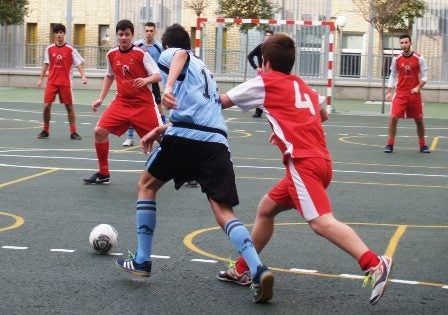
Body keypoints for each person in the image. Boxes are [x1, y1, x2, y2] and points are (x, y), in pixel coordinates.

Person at [217, 33, 392, 305]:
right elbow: (323, 113)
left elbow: (222, 101)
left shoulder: (264, 81)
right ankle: (242, 268)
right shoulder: (302, 85)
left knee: (321, 222)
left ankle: (373, 262)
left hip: (303, 164)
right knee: (266, 209)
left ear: (265, 61)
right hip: (321, 162)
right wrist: (286, 124)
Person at [115, 23, 274, 304]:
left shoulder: (175, 53)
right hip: (216, 142)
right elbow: (198, 111)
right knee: (224, 211)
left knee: (146, 185)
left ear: (167, 46)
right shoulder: (206, 72)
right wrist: (159, 129)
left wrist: (169, 86)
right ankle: (257, 267)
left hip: (186, 138)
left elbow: (179, 57)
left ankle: (142, 259)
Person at [83, 19, 162, 185]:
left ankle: (187, 172)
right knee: (99, 131)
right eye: (121, 34)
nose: (124, 38)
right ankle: (103, 173)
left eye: (127, 34)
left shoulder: (141, 54)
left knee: (164, 139)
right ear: (117, 36)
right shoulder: (111, 54)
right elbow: (110, 75)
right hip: (122, 103)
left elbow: (158, 75)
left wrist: (146, 80)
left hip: (143, 105)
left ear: (132, 35)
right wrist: (100, 99)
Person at [36, 23, 87, 140]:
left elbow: (78, 63)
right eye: (57, 32)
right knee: (46, 106)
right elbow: (46, 64)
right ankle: (45, 130)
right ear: (54, 34)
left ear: (64, 34)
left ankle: (73, 132)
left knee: (69, 107)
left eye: (61, 32)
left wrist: (83, 75)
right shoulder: (49, 49)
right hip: (52, 82)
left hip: (65, 82)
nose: (59, 34)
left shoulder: (70, 49)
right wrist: (40, 79)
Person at [384, 34, 430, 154]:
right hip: (400, 93)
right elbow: (393, 76)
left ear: (410, 43)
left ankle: (423, 145)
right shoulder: (396, 59)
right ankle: (390, 144)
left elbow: (425, 76)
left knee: (419, 120)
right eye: (402, 43)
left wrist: (419, 87)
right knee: (393, 118)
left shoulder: (419, 58)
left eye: (406, 42)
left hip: (414, 94)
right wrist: (389, 91)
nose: (404, 45)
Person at [123, 21, 165, 147]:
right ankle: (130, 137)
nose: (149, 33)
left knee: (158, 109)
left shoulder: (159, 47)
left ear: (155, 32)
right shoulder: (137, 45)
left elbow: (162, 66)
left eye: (151, 31)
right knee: (132, 109)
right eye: (147, 31)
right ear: (144, 31)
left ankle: (163, 135)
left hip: (152, 82)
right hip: (138, 83)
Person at [247, 29, 273, 118]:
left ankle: (275, 111)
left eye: (270, 36)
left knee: (272, 92)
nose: (267, 37)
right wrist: (256, 67)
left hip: (272, 73)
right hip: (262, 73)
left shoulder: (275, 48)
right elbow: (249, 56)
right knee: (259, 91)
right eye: (266, 35)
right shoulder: (260, 47)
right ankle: (258, 112)